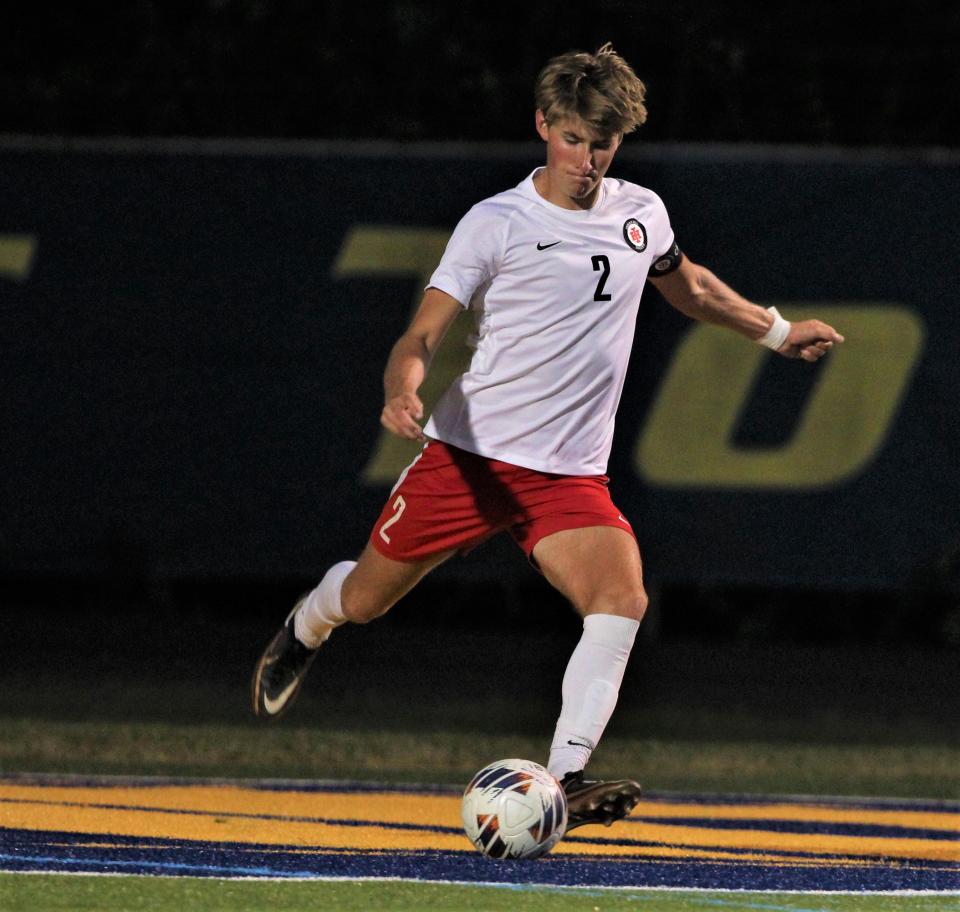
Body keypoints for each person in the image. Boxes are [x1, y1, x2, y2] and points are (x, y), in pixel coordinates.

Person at [251, 43, 843, 831]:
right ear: (542, 125)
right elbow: (423, 332)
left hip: (568, 476)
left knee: (621, 596)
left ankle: (566, 778)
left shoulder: (642, 213)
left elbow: (690, 286)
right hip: (471, 460)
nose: (587, 160)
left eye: (603, 143)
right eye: (572, 138)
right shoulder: (496, 222)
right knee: (365, 599)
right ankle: (307, 623)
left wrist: (775, 333)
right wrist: (402, 387)